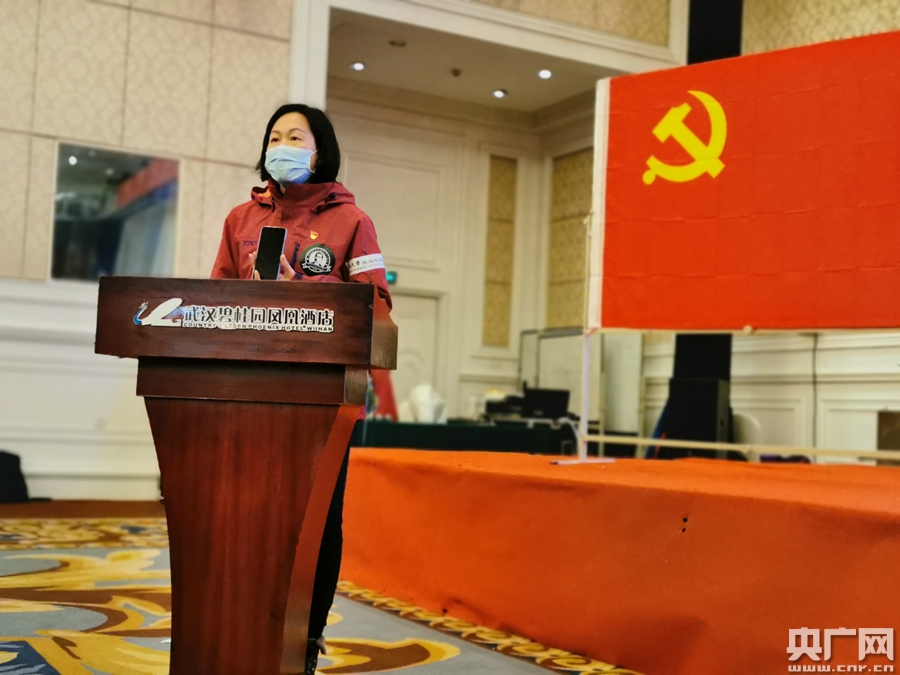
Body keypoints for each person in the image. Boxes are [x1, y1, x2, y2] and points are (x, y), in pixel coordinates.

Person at [210, 103, 391, 675]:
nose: (281, 146)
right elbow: (213, 297)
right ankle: (237, 626)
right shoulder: (240, 219)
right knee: (243, 517)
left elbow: (376, 307)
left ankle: (305, 640)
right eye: (274, 137)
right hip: (245, 393)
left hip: (323, 398)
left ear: (320, 152)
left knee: (316, 523)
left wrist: (305, 295)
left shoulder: (352, 221)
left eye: (295, 137)